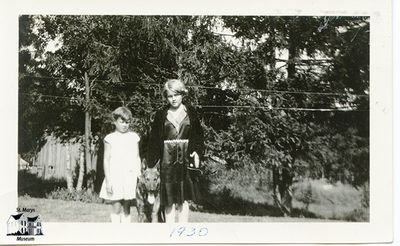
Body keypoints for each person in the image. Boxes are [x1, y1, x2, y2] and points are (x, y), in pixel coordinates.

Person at [147, 79, 204, 223]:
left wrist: (197, 152)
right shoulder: (161, 114)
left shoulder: (191, 112)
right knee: (169, 199)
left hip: (185, 160)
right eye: (169, 96)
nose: (173, 99)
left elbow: (198, 136)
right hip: (167, 161)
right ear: (166, 97)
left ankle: (182, 232)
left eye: (176, 95)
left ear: (182, 94)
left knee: (183, 200)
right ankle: (169, 233)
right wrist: (151, 162)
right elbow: (153, 140)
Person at [99, 106, 141, 223]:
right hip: (115, 176)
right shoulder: (110, 138)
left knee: (127, 206)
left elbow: (137, 157)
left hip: (129, 175)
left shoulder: (134, 137)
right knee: (116, 206)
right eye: (122, 122)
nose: (125, 125)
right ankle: (115, 232)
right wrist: (108, 180)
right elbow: (106, 160)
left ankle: (126, 233)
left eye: (127, 122)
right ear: (115, 121)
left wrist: (139, 175)